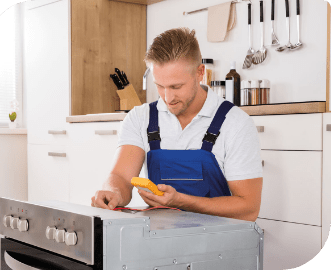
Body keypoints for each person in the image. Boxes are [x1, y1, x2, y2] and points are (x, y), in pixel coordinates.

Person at [91, 27, 263, 222]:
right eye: (160, 86)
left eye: (176, 86)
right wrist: (113, 192)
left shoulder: (235, 123)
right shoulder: (141, 118)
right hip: (160, 241)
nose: (167, 97)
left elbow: (248, 209)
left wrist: (181, 201)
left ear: (200, 73)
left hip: (218, 243)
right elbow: (121, 177)